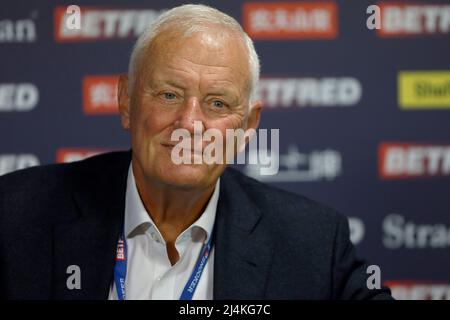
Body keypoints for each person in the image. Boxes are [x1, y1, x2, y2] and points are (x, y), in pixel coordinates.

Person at [0, 4, 392, 300]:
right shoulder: (16, 214)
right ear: (126, 101)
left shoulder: (312, 244)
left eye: (218, 103)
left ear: (248, 126)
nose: (190, 123)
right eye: (169, 95)